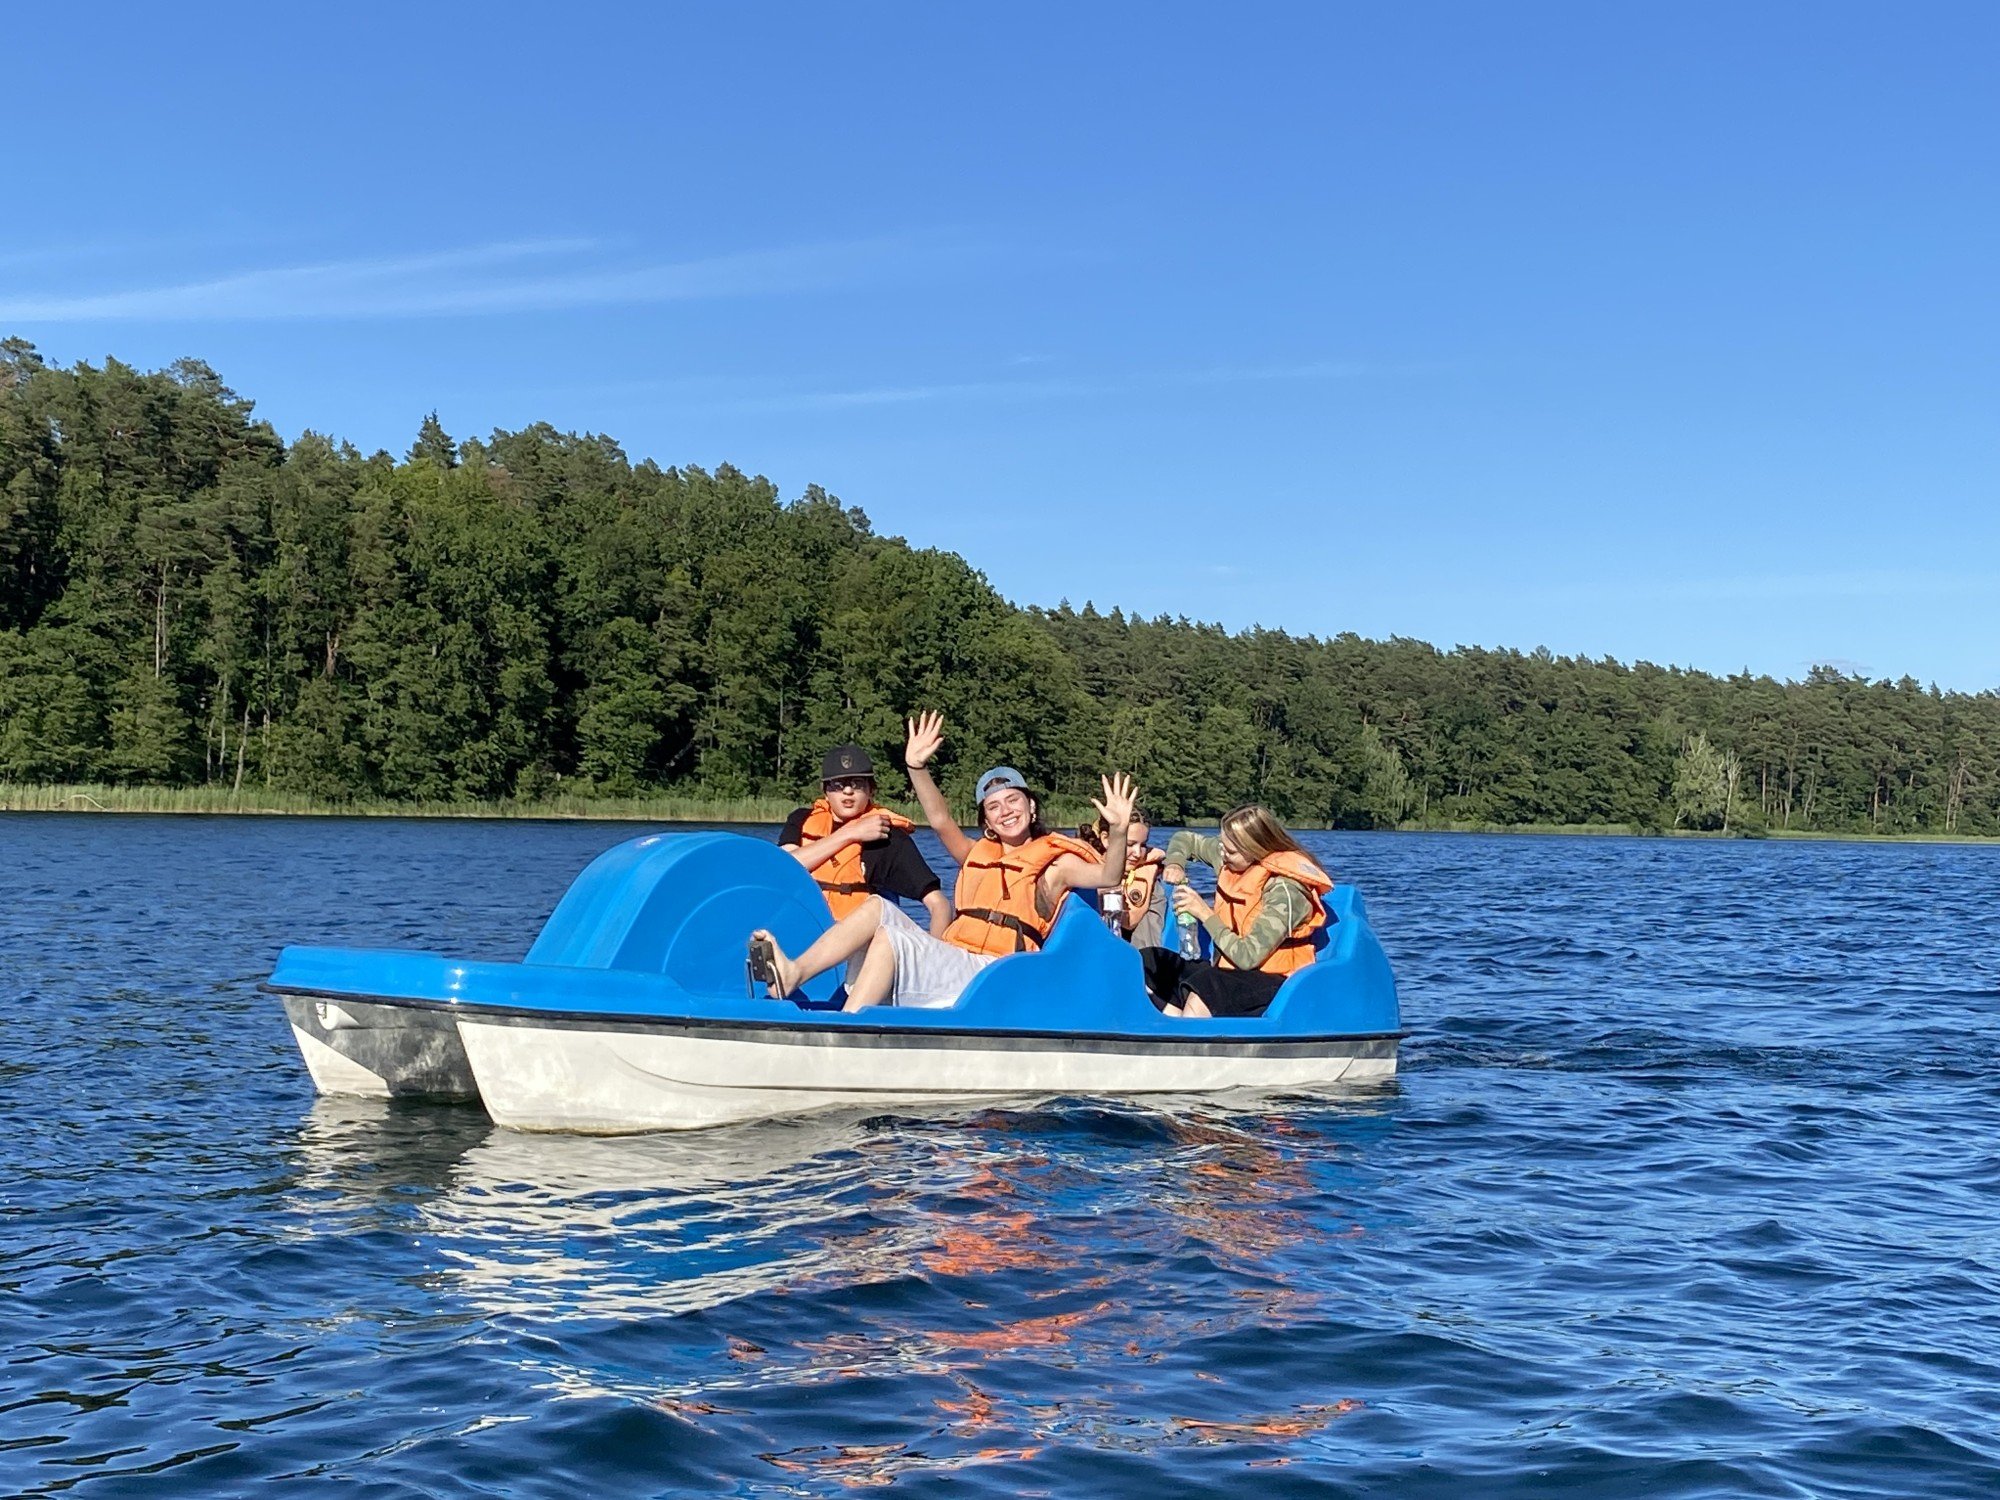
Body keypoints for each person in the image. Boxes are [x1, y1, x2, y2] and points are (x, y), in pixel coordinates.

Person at [749, 712, 1136, 1011]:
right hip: (956, 958)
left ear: (1031, 807)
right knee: (877, 908)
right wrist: (916, 767)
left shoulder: (1055, 866)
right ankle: (794, 973)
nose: (1005, 812)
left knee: (892, 938)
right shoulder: (973, 854)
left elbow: (1109, 874)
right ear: (986, 821)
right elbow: (938, 819)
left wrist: (1118, 831)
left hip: (996, 972)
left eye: (1013, 801)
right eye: (994, 807)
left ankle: (847, 1032)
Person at [1144, 804, 1334, 1019]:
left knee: (1207, 986)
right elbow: (1184, 839)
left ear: (1255, 849)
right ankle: (1169, 1025)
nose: (1222, 854)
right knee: (1150, 961)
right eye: (1222, 846)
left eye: (1231, 851)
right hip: (1228, 973)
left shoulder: (1286, 891)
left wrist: (1204, 913)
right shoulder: (1229, 857)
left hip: (1276, 982)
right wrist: (1175, 863)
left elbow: (1247, 957)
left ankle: (1186, 1031)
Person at [780, 743, 949, 935]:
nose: (848, 791)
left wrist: (935, 948)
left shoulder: (888, 838)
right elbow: (785, 867)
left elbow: (939, 904)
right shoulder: (800, 820)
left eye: (857, 783)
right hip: (801, 930)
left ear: (871, 790)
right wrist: (851, 833)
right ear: (825, 791)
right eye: (838, 784)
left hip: (855, 940)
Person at [1080, 810, 1168, 948]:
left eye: (1143, 845)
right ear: (1105, 839)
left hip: (1138, 954)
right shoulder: (1080, 876)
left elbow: (1147, 943)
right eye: (1130, 844)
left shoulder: (1151, 883)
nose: (1137, 853)